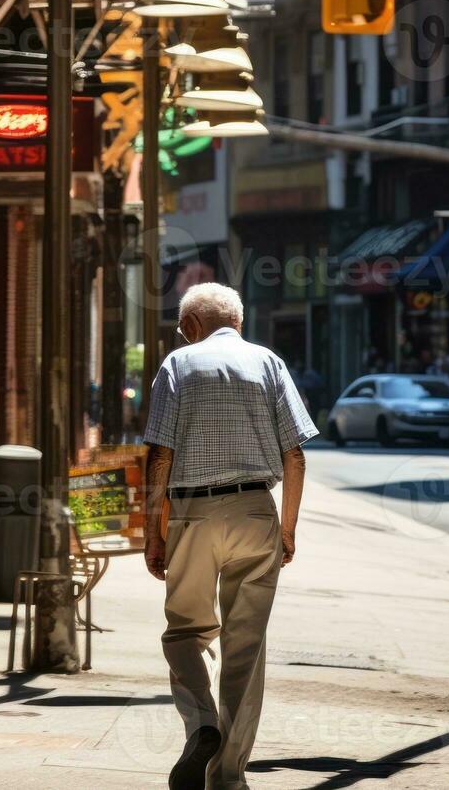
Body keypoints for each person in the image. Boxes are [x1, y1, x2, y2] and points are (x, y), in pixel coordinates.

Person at [142, 283, 317, 790]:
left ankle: (200, 724)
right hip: (254, 509)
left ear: (193, 326)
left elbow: (160, 456)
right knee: (246, 647)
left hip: (192, 513)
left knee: (186, 632)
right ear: (236, 322)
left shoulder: (178, 365)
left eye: (181, 328)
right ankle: (228, 779)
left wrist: (156, 534)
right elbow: (296, 455)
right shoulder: (269, 363)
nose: (181, 335)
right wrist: (286, 529)